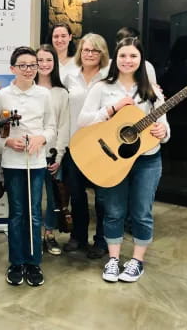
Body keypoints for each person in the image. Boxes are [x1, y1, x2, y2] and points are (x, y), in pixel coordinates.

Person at [78, 37, 170, 283]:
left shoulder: (151, 91)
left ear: (141, 61)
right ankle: (113, 259)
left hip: (146, 160)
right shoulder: (101, 87)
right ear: (115, 59)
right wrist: (112, 109)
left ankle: (137, 261)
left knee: (141, 212)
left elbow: (164, 128)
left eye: (133, 56)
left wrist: (163, 133)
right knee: (114, 211)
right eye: (123, 56)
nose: (128, 61)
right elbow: (83, 122)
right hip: (113, 159)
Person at [0, 46, 55, 287]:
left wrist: (41, 139)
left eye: (33, 65)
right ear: (12, 69)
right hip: (13, 163)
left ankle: (34, 262)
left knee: (34, 213)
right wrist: (7, 141)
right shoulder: (3, 96)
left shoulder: (44, 95)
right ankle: (16, 262)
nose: (29, 70)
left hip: (36, 162)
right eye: (23, 66)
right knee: (17, 213)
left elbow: (51, 127)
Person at [63, 33, 110, 259]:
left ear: (102, 54)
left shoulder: (110, 77)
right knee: (77, 195)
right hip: (75, 143)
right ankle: (78, 237)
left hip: (103, 148)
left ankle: (101, 241)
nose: (89, 54)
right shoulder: (70, 76)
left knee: (102, 198)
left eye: (95, 50)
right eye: (86, 50)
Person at [34, 44, 70, 256]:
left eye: (49, 60)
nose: (44, 64)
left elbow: (64, 125)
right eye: (40, 60)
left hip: (53, 155)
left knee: (54, 197)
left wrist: (60, 154)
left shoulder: (61, 92)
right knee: (34, 197)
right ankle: (36, 234)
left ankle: (49, 233)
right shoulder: (29, 90)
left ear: (55, 64)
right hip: (31, 154)